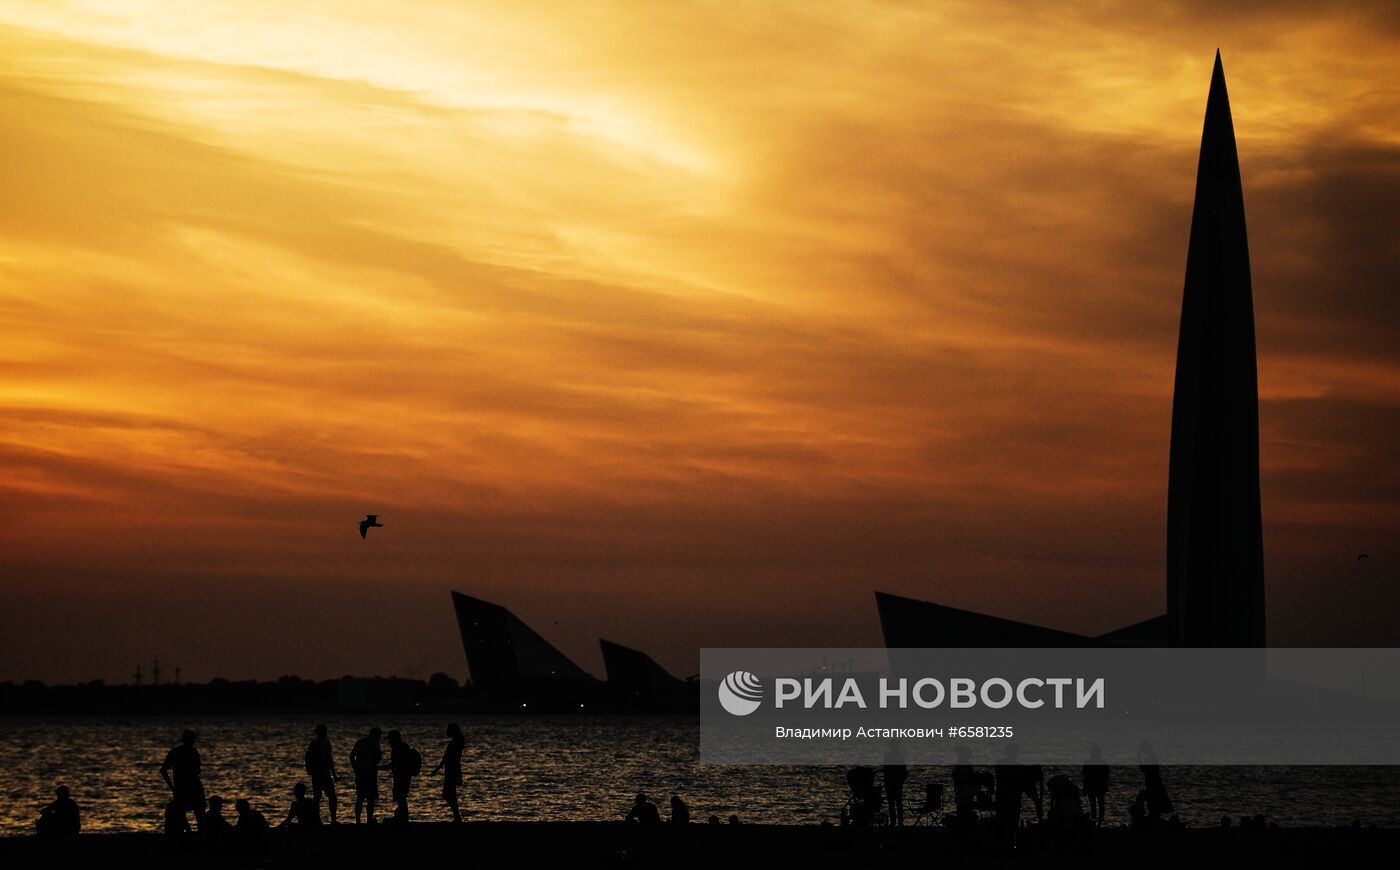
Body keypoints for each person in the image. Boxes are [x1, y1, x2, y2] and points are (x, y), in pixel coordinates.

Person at [160, 730, 205, 831]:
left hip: (181, 789)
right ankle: (198, 837)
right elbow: (198, 771)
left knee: (181, 816)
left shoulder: (175, 752)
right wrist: (173, 788)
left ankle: (188, 835)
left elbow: (163, 771)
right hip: (193, 788)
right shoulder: (193, 752)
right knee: (199, 816)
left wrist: (172, 787)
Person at [384, 729, 422, 824]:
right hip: (404, 776)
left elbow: (395, 764)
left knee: (401, 797)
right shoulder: (403, 746)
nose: (389, 742)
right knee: (401, 797)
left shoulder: (398, 748)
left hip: (401, 777)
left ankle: (402, 819)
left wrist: (378, 768)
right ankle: (402, 817)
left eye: (390, 739)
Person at [430, 723, 466, 823]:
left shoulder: (455, 743)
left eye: (448, 729)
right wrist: (438, 769)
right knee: (451, 794)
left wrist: (437, 769)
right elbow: (446, 758)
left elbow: (446, 758)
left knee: (447, 794)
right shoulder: (457, 742)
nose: (446, 731)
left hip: (451, 770)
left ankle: (457, 816)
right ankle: (457, 816)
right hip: (452, 769)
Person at [305, 724, 338, 824]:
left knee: (317, 797)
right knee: (332, 796)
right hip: (324, 773)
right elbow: (329, 759)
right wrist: (334, 774)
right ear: (325, 732)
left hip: (315, 774)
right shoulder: (325, 742)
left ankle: (316, 820)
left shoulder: (313, 743)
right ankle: (333, 820)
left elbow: (308, 757)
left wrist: (310, 771)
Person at [349, 727, 383, 824]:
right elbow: (378, 757)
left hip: (360, 774)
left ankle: (358, 821)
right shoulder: (375, 743)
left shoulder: (360, 742)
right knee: (370, 799)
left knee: (360, 798)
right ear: (377, 735)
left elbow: (351, 756)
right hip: (370, 775)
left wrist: (356, 768)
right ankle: (368, 820)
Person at [1137, 742, 1174, 820]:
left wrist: (1139, 759)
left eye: (1142, 748)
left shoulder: (1149, 758)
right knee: (1155, 803)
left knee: (1153, 803)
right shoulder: (1152, 757)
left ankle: (1154, 821)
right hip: (1155, 782)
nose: (1142, 750)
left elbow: (1143, 770)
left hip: (1152, 783)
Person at [1082, 745, 1109, 827]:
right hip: (1099, 787)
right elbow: (1106, 776)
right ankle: (1099, 823)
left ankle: (1094, 823)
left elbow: (1085, 777)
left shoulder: (1088, 763)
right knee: (1100, 805)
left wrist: (1084, 788)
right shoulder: (1103, 763)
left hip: (1092, 786)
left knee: (1093, 805)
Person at [883, 741, 909, 826]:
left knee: (892, 804)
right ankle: (899, 822)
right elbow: (904, 772)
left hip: (891, 783)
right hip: (896, 783)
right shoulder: (900, 757)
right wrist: (900, 781)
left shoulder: (888, 757)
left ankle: (893, 822)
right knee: (898, 803)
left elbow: (886, 771)